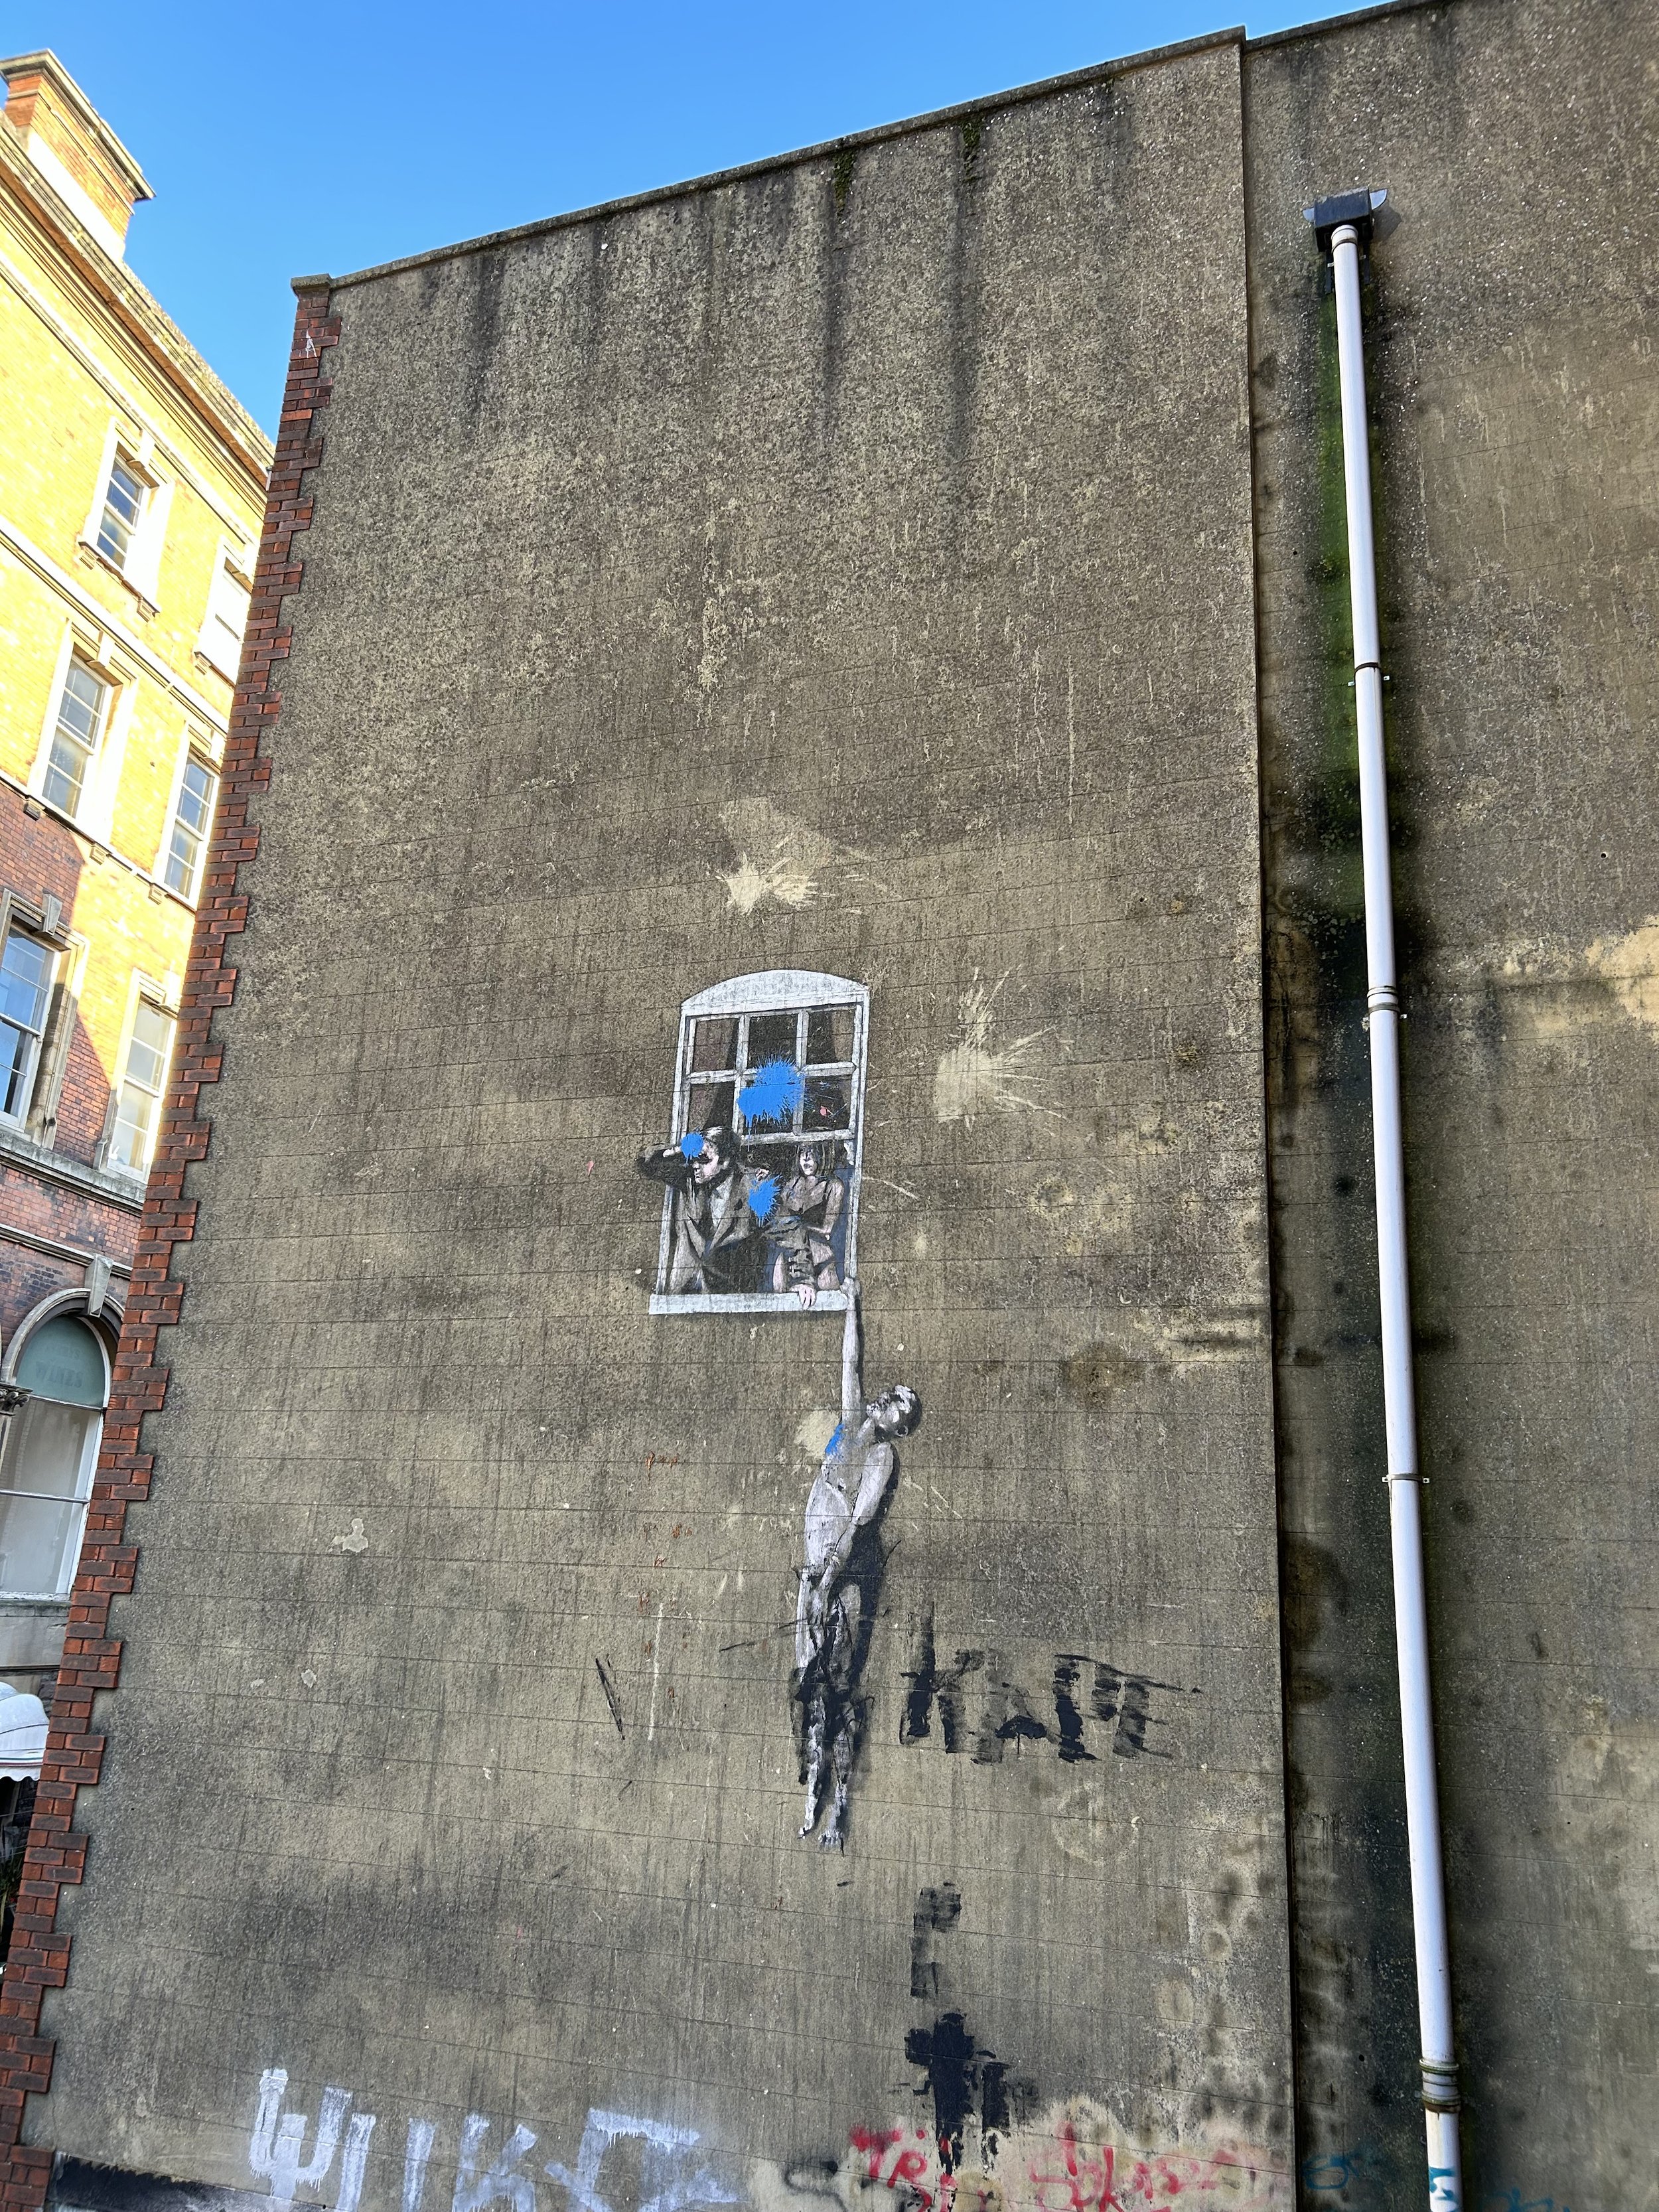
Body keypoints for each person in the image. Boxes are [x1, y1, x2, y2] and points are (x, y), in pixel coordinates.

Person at [795, 1279, 922, 1849]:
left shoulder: (881, 1457)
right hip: (813, 1579)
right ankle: (812, 1788)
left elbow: (857, 1525)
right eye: (890, 1392)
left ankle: (840, 1802)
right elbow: (852, 1358)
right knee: (807, 1685)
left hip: (839, 1584)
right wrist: (852, 1303)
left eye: (897, 1404)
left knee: (836, 1691)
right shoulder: (851, 1422)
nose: (885, 1397)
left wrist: (824, 1583)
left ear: (898, 1425)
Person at [636, 1124, 769, 1293]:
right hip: (686, 1290)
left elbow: (785, 1228)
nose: (696, 1166)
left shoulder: (752, 1185)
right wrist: (681, 1149)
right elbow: (646, 1163)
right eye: (694, 1159)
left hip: (731, 1292)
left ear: (726, 1161)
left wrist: (802, 1280)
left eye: (704, 1159)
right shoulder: (689, 1181)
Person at [767, 1142, 847, 1307]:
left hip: (820, 1257)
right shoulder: (792, 1184)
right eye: (802, 1152)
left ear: (823, 1154)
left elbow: (827, 1230)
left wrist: (795, 1225)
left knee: (826, 1307)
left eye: (812, 1152)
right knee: (782, 1305)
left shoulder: (834, 1186)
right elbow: (778, 1218)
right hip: (790, 1258)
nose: (806, 1157)